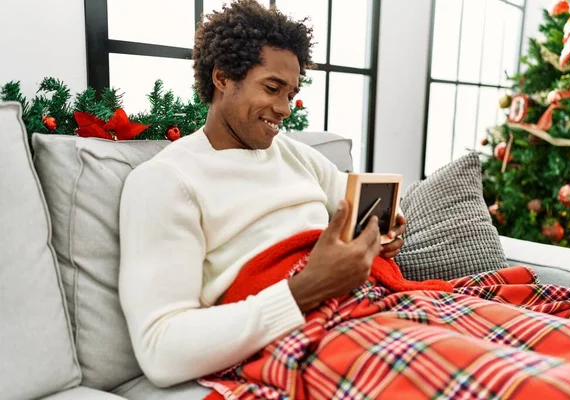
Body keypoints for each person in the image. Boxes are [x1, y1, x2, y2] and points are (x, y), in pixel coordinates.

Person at [119, 0, 406, 388]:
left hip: (376, 303)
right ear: (222, 78)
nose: (285, 108)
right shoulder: (165, 181)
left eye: (291, 92)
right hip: (308, 333)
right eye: (272, 88)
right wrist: (305, 289)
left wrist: (380, 231)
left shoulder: (295, 155)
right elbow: (160, 349)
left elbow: (356, 203)